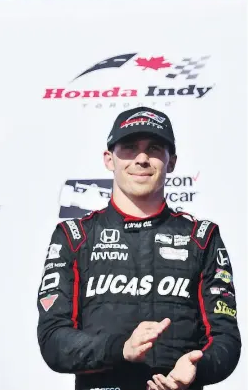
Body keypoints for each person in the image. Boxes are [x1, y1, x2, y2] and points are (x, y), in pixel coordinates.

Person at [36, 106, 241, 390]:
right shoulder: (74, 236)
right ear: (109, 159)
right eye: (130, 148)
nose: (142, 159)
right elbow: (53, 339)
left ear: (172, 162)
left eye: (154, 148)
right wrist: (120, 349)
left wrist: (197, 367)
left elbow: (225, 338)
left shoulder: (202, 237)